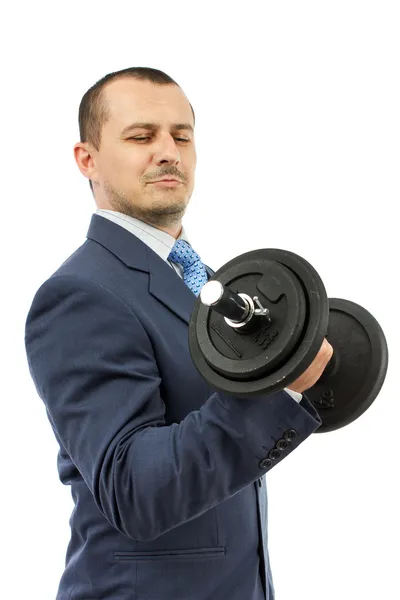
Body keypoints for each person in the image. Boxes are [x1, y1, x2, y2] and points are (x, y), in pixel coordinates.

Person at [24, 67, 333, 600]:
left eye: (181, 136)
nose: (168, 151)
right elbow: (135, 492)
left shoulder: (200, 279)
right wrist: (278, 389)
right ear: (87, 159)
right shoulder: (79, 295)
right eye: (141, 136)